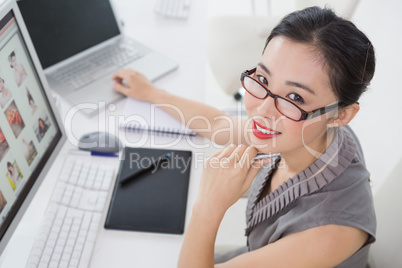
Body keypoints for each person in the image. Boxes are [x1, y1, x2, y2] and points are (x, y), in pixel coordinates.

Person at [113, 6, 376, 268]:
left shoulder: (329, 235)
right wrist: (154, 95)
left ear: (341, 115)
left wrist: (207, 208)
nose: (262, 111)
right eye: (262, 78)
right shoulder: (312, 132)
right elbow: (219, 124)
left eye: (295, 97)